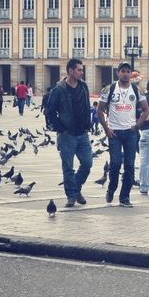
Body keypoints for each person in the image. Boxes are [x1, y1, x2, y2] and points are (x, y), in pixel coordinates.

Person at [45, 58, 93, 208]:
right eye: (79, 69)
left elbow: (87, 106)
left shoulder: (84, 86)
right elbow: (50, 112)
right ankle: (72, 195)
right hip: (67, 135)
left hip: (82, 133)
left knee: (87, 163)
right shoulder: (58, 90)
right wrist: (61, 129)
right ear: (70, 71)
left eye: (82, 69)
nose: (81, 72)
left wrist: (88, 123)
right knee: (68, 167)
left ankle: (76, 188)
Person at [98, 63, 148, 206]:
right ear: (118, 73)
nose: (125, 74)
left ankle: (124, 197)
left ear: (130, 74)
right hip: (115, 132)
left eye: (128, 71)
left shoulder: (137, 90)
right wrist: (107, 129)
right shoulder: (110, 89)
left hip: (130, 132)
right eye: (123, 71)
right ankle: (111, 188)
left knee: (130, 165)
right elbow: (100, 110)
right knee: (115, 163)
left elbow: (146, 110)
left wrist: (137, 125)